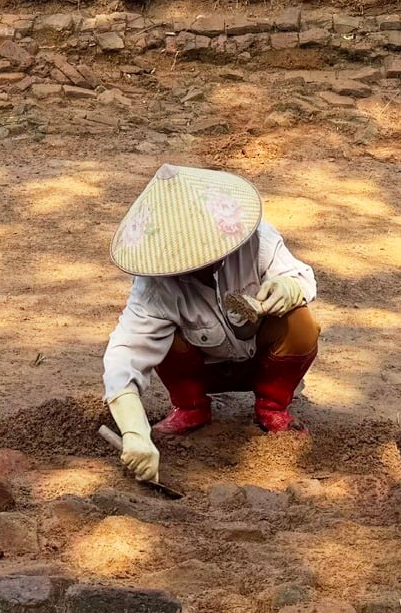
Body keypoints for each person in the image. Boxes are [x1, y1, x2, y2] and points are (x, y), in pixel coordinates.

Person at [103, 166, 319, 490]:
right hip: (201, 366)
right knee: (165, 338)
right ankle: (191, 407)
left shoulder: (256, 238)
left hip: (261, 359)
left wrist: (290, 287)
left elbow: (301, 277)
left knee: (301, 324)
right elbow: (124, 355)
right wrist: (134, 432)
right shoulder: (154, 288)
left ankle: (272, 405)